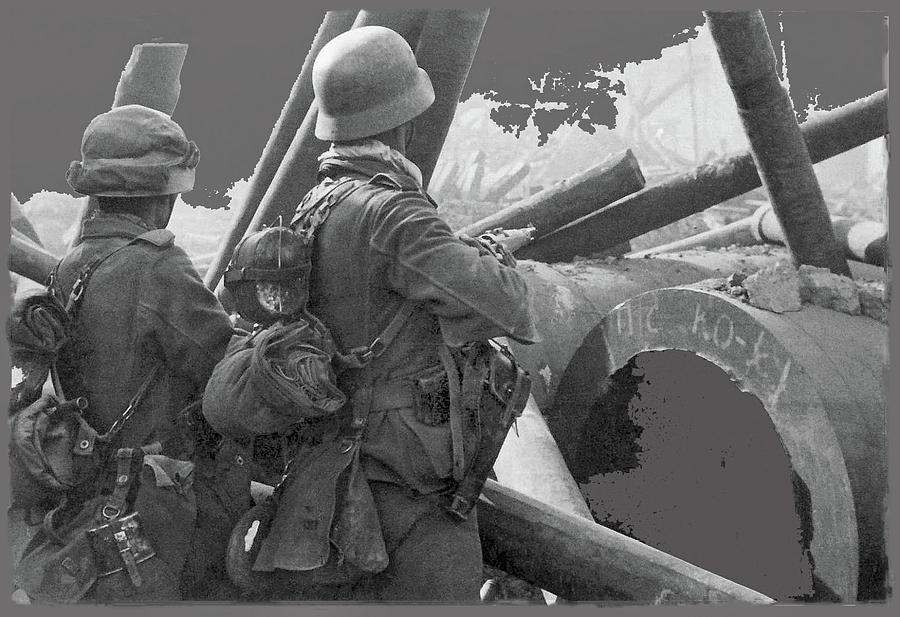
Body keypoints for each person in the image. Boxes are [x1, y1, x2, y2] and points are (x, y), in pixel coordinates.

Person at [290, 25, 539, 602]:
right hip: (403, 484)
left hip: (327, 469)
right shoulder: (393, 215)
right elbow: (510, 307)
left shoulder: (317, 203)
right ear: (404, 118)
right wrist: (486, 261)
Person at [52, 104, 242, 600]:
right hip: (157, 500)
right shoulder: (159, 268)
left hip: (90, 485)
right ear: (162, 196)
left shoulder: (72, 265)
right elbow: (228, 372)